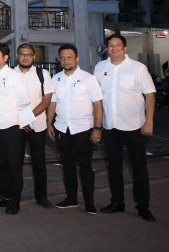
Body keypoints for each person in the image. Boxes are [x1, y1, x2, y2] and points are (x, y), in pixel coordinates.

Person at [94, 34, 157, 222]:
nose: (114, 48)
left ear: (125, 48)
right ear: (106, 48)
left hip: (134, 126)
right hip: (110, 126)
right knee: (114, 166)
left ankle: (143, 206)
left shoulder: (138, 68)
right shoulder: (100, 68)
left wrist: (149, 121)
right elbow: (96, 97)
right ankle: (117, 202)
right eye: (110, 45)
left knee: (138, 167)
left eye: (118, 45)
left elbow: (150, 95)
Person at [46, 44, 103, 215]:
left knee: (85, 166)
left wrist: (97, 128)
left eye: (69, 57)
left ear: (76, 59)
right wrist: (49, 124)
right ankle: (71, 198)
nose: (66, 60)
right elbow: (53, 104)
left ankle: (89, 202)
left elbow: (97, 105)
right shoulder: (55, 79)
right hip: (62, 128)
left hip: (83, 129)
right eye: (62, 57)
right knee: (67, 165)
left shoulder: (88, 79)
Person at [0, 42, 33, 215]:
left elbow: (24, 100)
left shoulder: (14, 75)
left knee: (13, 165)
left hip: (9, 127)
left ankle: (14, 200)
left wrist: (7, 111)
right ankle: (3, 196)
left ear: (6, 58)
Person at [14, 43, 54, 208]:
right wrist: (22, 120)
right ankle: (14, 195)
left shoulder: (42, 74)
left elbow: (46, 100)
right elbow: (7, 101)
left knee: (39, 162)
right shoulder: (9, 74)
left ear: (34, 57)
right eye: (22, 54)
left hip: (37, 125)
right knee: (15, 163)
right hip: (15, 126)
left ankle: (42, 196)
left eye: (29, 54)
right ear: (17, 56)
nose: (25, 57)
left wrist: (27, 117)